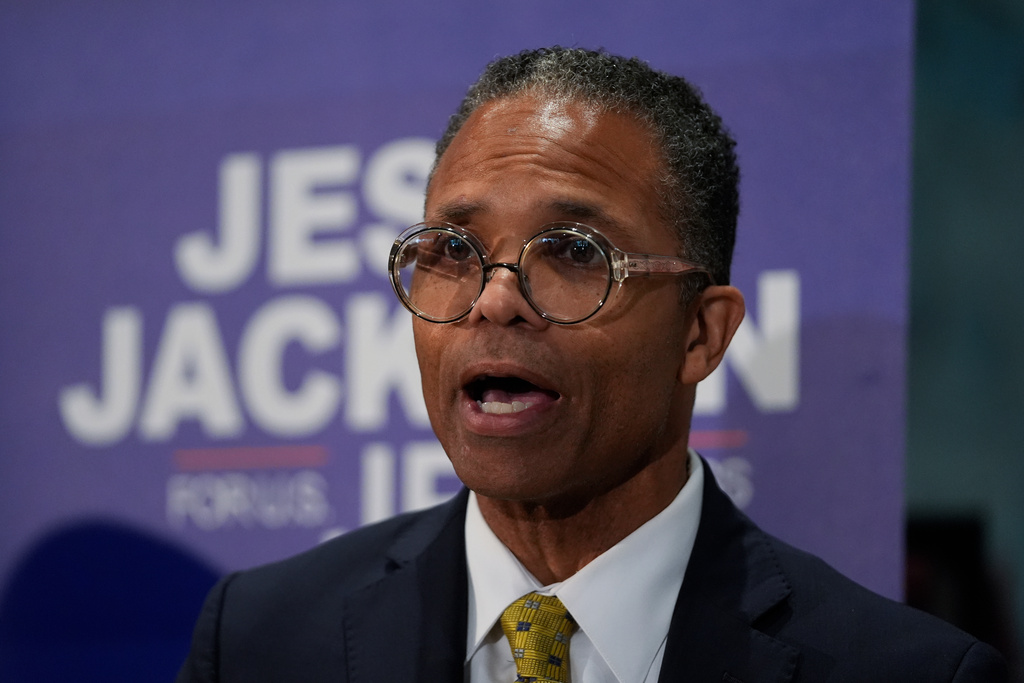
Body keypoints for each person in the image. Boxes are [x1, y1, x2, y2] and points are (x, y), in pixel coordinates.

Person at [177, 47, 1007, 682]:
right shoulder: (260, 637)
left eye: (573, 250)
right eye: (454, 249)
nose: (495, 300)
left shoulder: (906, 671)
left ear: (701, 336)